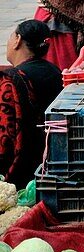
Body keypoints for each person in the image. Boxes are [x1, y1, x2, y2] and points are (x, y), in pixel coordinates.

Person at [0, 20, 63, 186]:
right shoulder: (54, 70)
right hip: (51, 157)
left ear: (17, 40)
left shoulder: (11, 80)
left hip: (22, 169)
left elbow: (5, 135)